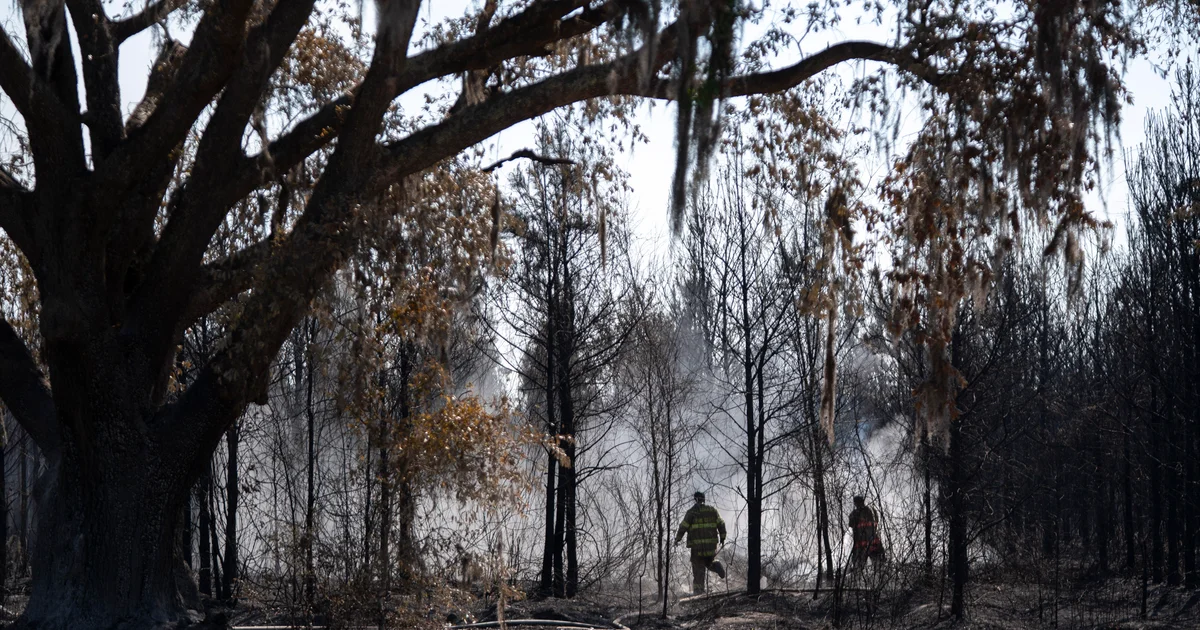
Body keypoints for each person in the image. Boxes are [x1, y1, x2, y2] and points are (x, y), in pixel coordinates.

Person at [675, 491, 727, 595]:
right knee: (708, 561)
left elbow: (683, 526)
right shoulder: (713, 510)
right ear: (704, 499)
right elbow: (721, 524)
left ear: (695, 499)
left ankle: (699, 592)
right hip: (711, 546)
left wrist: (678, 538)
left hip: (697, 548)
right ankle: (715, 565)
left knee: (698, 569)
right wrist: (722, 537)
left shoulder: (691, 512)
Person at [848, 495, 885, 570]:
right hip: (872, 541)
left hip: (861, 544)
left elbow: (851, 525)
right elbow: (876, 523)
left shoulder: (854, 514)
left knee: (858, 568)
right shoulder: (870, 511)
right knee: (879, 566)